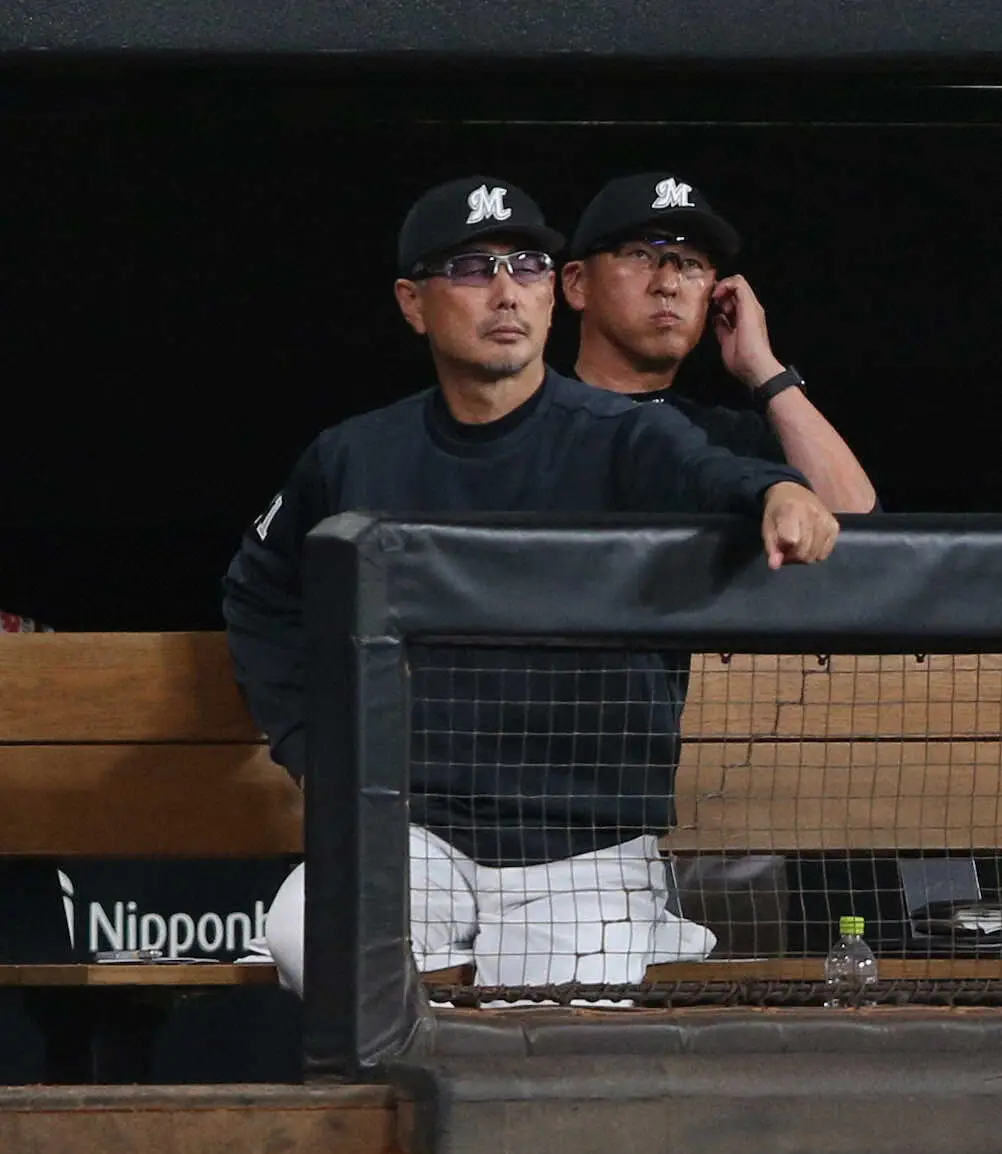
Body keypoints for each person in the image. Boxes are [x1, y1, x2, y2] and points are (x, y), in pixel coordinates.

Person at [222, 175, 840, 998]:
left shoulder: (625, 434)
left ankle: (621, 933)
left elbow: (716, 474)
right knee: (305, 937)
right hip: (415, 832)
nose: (506, 292)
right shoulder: (354, 455)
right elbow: (260, 595)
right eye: (472, 270)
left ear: (554, 296)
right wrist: (313, 749)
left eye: (527, 267)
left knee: (548, 1028)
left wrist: (778, 490)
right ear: (413, 303)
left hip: (586, 844)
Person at [561, 171, 877, 514]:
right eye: (640, 255)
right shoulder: (533, 420)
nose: (669, 284)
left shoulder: (733, 440)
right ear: (577, 283)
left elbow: (861, 532)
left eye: (691, 263)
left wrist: (765, 370)